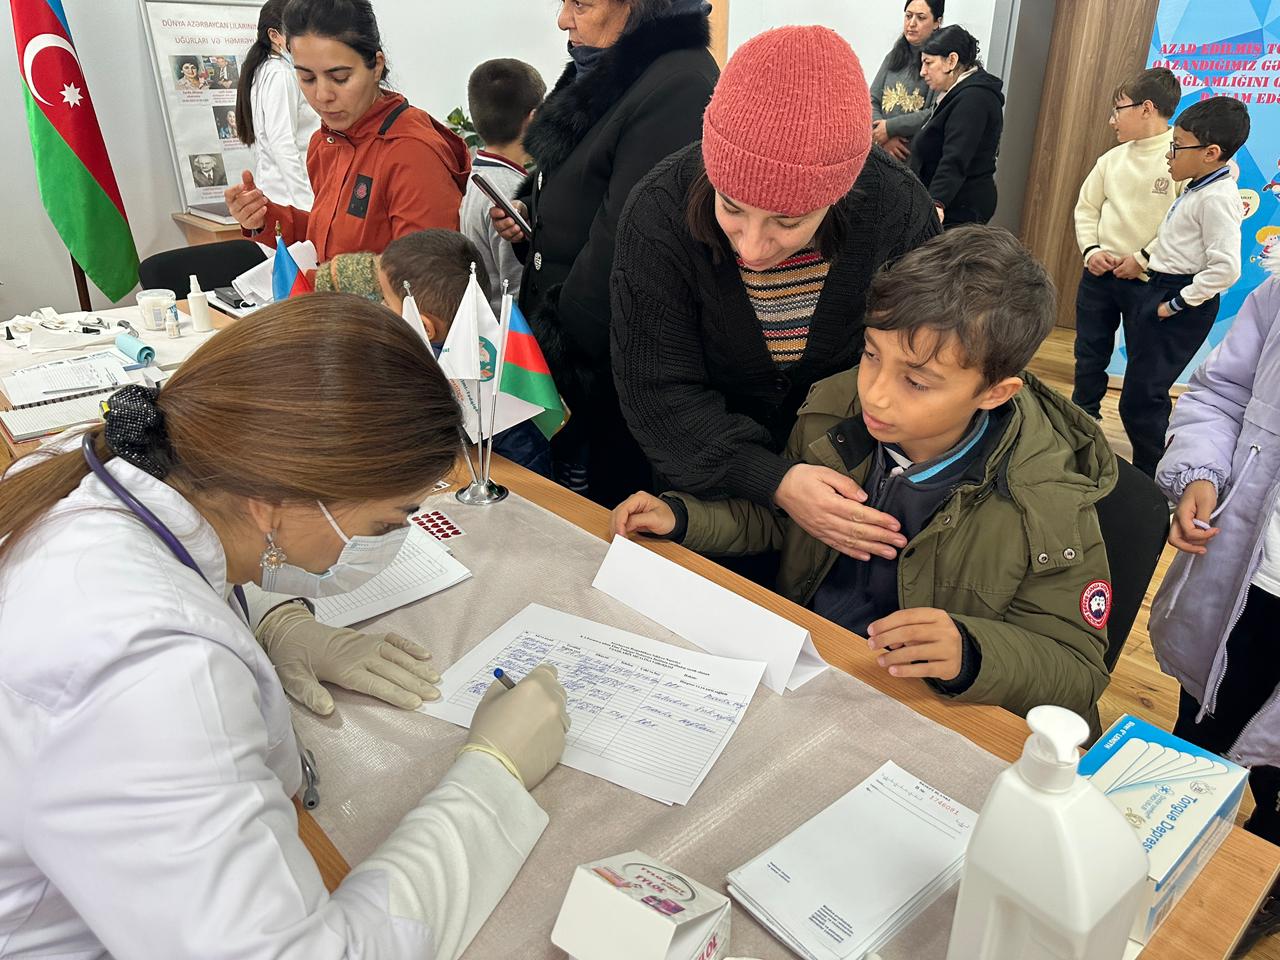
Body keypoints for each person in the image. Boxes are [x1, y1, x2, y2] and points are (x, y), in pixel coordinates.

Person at [0, 295, 570, 957]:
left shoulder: (110, 461)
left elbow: (198, 560)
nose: (391, 539)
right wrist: (489, 778)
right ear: (275, 497)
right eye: (386, 522)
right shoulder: (154, 677)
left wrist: (274, 620)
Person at [612, 227, 1114, 730]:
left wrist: (972, 652)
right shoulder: (833, 411)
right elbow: (781, 523)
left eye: (916, 381)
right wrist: (682, 517)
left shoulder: (1049, 500)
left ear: (994, 393)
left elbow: (1077, 670)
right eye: (872, 355)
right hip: (809, 670)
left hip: (918, 715)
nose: (874, 394)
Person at [611, 25, 940, 561]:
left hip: (845, 515)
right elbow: (658, 390)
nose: (755, 249)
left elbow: (917, 371)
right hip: (702, 506)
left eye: (788, 221)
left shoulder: (898, 214)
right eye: (731, 208)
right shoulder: (658, 214)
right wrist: (775, 480)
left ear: (838, 195)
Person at [489, 0, 719, 504]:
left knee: (590, 507)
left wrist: (555, 355)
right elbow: (581, 179)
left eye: (583, 4)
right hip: (571, 341)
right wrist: (531, 216)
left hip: (604, 361)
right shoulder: (602, 67)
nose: (563, 19)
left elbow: (627, 237)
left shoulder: (678, 86)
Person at [1148, 275, 1280, 955]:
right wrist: (1201, 471)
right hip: (1241, 579)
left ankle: (1261, 879)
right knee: (1201, 723)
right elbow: (1220, 392)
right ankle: (1163, 854)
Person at [225, 0, 470, 260]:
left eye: (340, 78)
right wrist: (265, 218)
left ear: (376, 66)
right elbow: (327, 237)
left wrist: (319, 282)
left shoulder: (412, 151)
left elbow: (422, 275)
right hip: (339, 300)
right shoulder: (325, 142)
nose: (322, 95)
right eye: (307, 78)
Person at [1113, 95, 1249, 476]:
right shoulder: (1199, 185)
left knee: (1143, 398)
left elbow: (1226, 269)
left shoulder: (1217, 198)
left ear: (1211, 153)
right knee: (1140, 394)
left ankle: (1153, 476)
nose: (1169, 155)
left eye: (1177, 146)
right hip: (1159, 288)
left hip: (1178, 301)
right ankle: (1150, 467)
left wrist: (1176, 304)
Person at [376, 230, 554, 479]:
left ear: (426, 327)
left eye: (386, 301)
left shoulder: (492, 385)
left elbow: (526, 471)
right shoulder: (420, 355)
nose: (381, 308)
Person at [1071, 67, 1182, 422]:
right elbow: (1086, 208)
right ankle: (1083, 421)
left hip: (1150, 282)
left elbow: (1181, 225)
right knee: (1089, 354)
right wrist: (1092, 251)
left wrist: (1142, 259)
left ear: (1146, 108)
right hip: (1100, 275)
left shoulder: (1180, 159)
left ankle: (1146, 451)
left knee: (1144, 367)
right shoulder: (1111, 159)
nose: (1112, 120)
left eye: (1119, 109)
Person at [459, 59, 545, 317]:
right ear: (533, 119)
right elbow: (518, 284)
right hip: (513, 335)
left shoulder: (479, 176)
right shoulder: (510, 190)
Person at [909, 25, 1004, 226]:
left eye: (928, 63)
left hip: (959, 207)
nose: (922, 72)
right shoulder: (957, 93)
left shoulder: (974, 99)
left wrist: (936, 202)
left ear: (951, 61)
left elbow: (956, 156)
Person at [235, 0, 322, 210]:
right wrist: (307, 206)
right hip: (291, 196)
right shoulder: (281, 74)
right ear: (274, 36)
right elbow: (282, 143)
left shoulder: (265, 69)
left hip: (278, 192)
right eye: (296, 31)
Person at [870, 0, 943, 163]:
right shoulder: (893, 56)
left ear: (937, 22)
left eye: (921, 18)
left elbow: (935, 111)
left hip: (915, 159)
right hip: (880, 151)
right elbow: (871, 99)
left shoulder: (939, 62)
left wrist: (890, 128)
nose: (912, 24)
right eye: (908, 16)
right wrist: (883, 136)